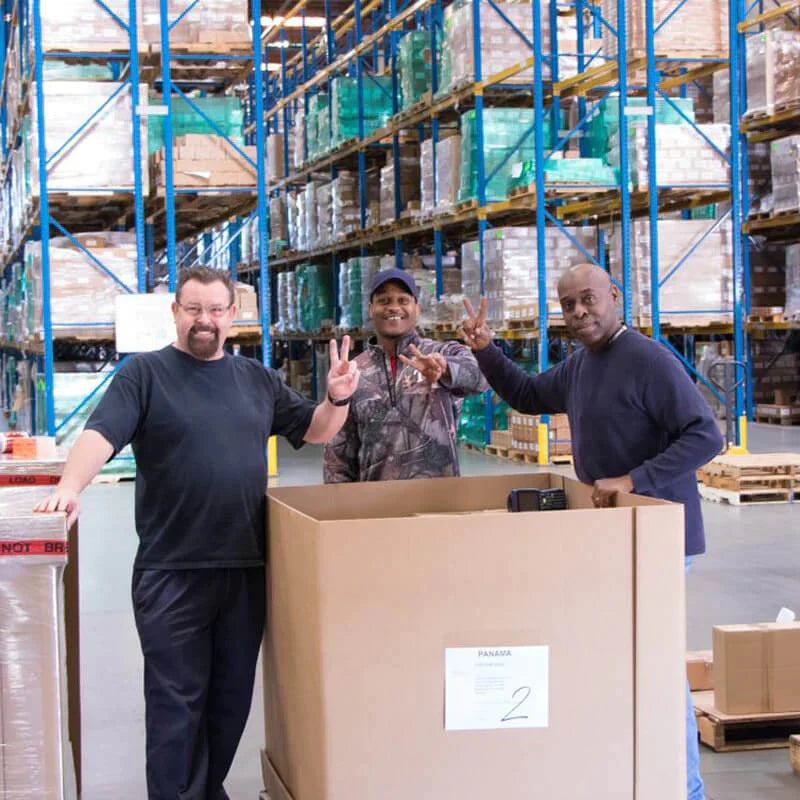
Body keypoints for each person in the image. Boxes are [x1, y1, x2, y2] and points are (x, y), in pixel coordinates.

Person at [34, 265, 360, 800]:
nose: (204, 321)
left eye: (215, 310)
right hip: (172, 571)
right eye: (193, 309)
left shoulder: (257, 379)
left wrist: (337, 397)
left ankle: (206, 790)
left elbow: (320, 430)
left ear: (233, 315)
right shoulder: (145, 375)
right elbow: (101, 433)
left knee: (230, 702)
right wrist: (72, 485)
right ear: (175, 313)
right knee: (176, 704)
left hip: (244, 568)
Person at [461, 262, 723, 800]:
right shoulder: (582, 366)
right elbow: (530, 396)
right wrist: (486, 350)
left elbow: (706, 434)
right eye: (568, 306)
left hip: (658, 535)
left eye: (589, 300)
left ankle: (686, 789)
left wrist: (635, 478)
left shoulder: (648, 359)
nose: (580, 313)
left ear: (615, 296)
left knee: (655, 667)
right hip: (613, 534)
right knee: (620, 659)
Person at [323, 268, 487, 482]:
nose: (393, 307)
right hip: (375, 505)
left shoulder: (444, 354)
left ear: (417, 308)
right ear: (371, 309)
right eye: (384, 300)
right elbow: (338, 453)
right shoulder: (353, 372)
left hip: (439, 503)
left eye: (403, 300)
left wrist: (445, 370)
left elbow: (481, 379)